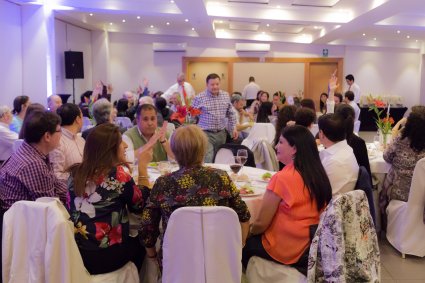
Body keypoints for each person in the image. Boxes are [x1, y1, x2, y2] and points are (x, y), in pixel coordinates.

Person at [140, 125, 250, 265]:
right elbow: (244, 215)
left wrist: (152, 256)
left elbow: (147, 227)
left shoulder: (163, 183)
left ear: (174, 151)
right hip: (217, 259)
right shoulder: (221, 178)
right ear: (203, 149)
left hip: (177, 261)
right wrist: (239, 248)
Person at [242, 125, 332, 274]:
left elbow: (261, 223)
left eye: (281, 142)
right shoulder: (318, 173)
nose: (276, 146)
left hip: (287, 248)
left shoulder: (283, 178)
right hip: (312, 244)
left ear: (294, 148)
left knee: (243, 245)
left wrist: (248, 232)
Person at [67, 123, 152, 274]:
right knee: (145, 242)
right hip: (108, 257)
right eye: (120, 142)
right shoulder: (118, 177)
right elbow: (139, 206)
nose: (125, 146)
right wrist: (143, 169)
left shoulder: (75, 174)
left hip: (78, 253)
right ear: (110, 149)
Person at [0, 110, 67, 212]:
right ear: (47, 136)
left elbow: (56, 184)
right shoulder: (33, 164)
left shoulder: (29, 149)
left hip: (28, 217)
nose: (61, 135)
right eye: (59, 130)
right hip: (24, 223)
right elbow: (50, 207)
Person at [380, 110, 425, 204]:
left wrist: (400, 123)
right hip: (421, 197)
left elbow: (386, 156)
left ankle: (383, 214)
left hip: (399, 194)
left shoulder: (401, 141)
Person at [192, 73, 238, 163]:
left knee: (219, 159)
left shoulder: (225, 95)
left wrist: (234, 128)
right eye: (212, 84)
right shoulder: (199, 98)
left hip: (221, 133)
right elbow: (193, 116)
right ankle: (206, 176)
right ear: (207, 85)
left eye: (217, 84)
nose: (215, 87)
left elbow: (231, 113)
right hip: (205, 133)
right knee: (208, 158)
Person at [318, 113, 359, 195]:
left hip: (331, 205)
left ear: (321, 134)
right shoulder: (346, 149)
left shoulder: (334, 161)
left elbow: (320, 193)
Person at [335, 104, 372, 182]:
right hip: (353, 186)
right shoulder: (359, 142)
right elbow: (366, 170)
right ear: (354, 119)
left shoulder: (331, 139)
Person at [49, 103, 85, 180]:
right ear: (77, 119)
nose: (83, 120)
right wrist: (80, 177)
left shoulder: (81, 140)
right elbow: (56, 175)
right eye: (82, 117)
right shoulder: (58, 142)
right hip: (68, 189)